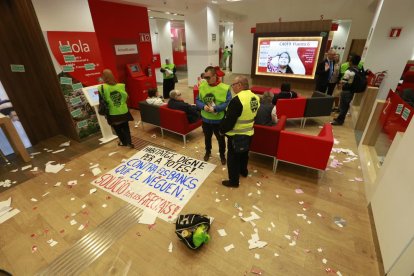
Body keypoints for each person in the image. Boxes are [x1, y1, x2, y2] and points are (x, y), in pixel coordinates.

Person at [219, 76, 260, 188]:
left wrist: (221, 130)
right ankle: (243, 172)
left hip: (236, 135)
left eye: (233, 85)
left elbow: (230, 121)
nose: (232, 87)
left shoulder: (237, 100)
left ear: (240, 85)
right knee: (244, 155)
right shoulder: (255, 97)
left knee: (233, 159)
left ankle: (233, 182)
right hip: (249, 133)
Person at [196, 66, 232, 165]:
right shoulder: (202, 86)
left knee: (220, 139)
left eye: (208, 77)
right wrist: (203, 106)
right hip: (206, 119)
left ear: (215, 76)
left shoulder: (225, 88)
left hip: (219, 120)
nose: (206, 80)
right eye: (205, 77)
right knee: (207, 138)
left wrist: (216, 108)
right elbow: (198, 100)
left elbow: (228, 103)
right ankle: (208, 151)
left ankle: (222, 155)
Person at [99, 69, 134, 148]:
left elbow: (101, 101)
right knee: (126, 128)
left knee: (118, 129)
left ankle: (123, 143)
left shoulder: (101, 88)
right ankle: (129, 143)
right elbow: (126, 97)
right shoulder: (121, 85)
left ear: (104, 77)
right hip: (123, 110)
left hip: (112, 112)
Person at [331, 55, 361, 126]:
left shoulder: (349, 70)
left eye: (350, 60)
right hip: (352, 91)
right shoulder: (358, 70)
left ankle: (339, 120)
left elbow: (343, 81)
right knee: (346, 106)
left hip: (346, 91)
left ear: (351, 61)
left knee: (343, 106)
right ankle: (340, 119)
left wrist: (340, 82)